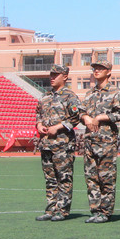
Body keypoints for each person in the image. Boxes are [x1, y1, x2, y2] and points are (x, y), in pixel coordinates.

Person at [79, 60, 120, 224]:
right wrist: (85, 117)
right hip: (89, 141)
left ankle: (105, 211)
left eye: (101, 68)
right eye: (95, 68)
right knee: (91, 178)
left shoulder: (115, 92)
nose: (97, 70)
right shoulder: (89, 93)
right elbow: (81, 112)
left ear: (109, 72)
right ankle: (95, 210)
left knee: (106, 178)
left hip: (106, 142)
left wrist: (100, 117)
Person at [34, 64, 80, 221]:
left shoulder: (70, 96)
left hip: (63, 145)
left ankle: (62, 210)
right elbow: (38, 114)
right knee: (50, 179)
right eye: (51, 75)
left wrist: (58, 127)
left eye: (56, 75)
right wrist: (39, 125)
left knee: (64, 178)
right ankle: (51, 209)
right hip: (46, 144)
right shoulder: (45, 96)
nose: (52, 78)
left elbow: (76, 118)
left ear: (65, 77)